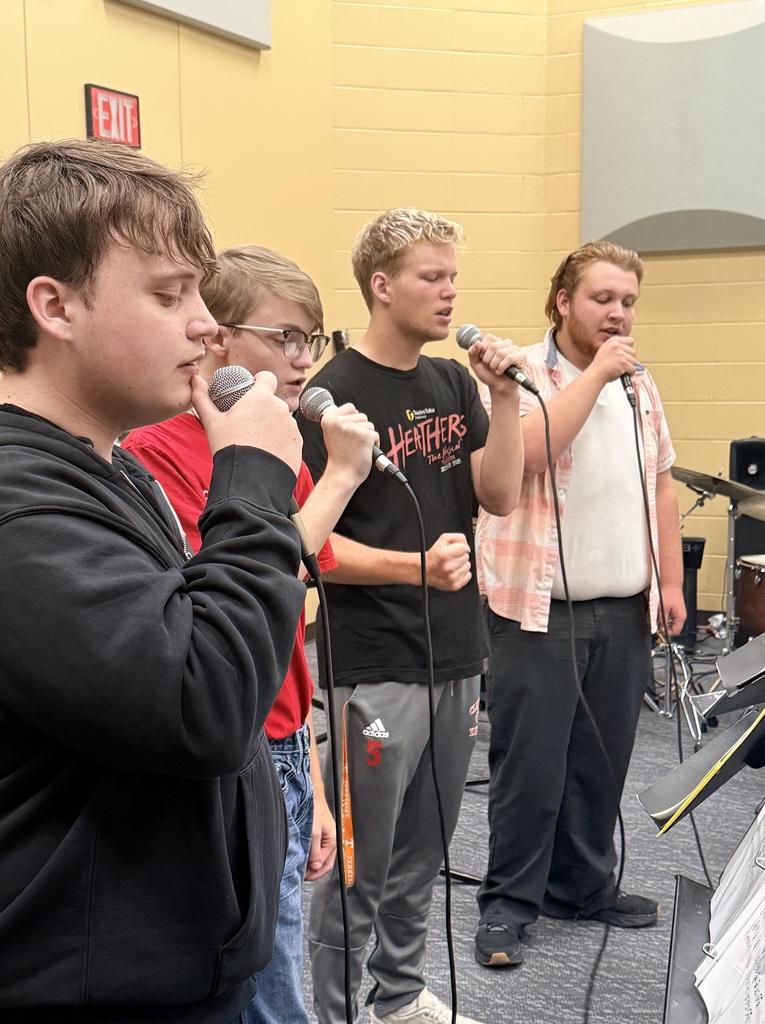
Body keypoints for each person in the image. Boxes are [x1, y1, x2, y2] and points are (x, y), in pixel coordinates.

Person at [0, 138, 309, 1024]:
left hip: (180, 965)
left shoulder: (115, 469)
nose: (206, 324)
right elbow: (200, 703)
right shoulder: (16, 505)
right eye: (171, 295)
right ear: (55, 307)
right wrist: (250, 481)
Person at [122, 244, 376, 1024]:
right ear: (220, 342)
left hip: (283, 731)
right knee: (265, 981)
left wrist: (311, 775)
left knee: (281, 952)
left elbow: (297, 594)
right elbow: (245, 589)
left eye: (314, 339)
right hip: (234, 739)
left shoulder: (272, 439)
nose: (304, 360)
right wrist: (339, 478)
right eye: (286, 337)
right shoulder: (158, 451)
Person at [296, 208, 526, 1024]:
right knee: (359, 864)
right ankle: (333, 1012)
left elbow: (497, 495)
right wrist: (416, 569)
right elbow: (311, 547)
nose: (449, 292)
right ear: (381, 285)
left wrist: (505, 398)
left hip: (458, 651)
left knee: (425, 854)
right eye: (433, 277)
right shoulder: (331, 397)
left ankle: (395, 995)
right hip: (375, 663)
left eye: (453, 277)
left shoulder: (453, 382)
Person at [473, 241, 686, 968]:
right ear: (563, 301)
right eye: (603, 298)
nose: (618, 313)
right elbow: (528, 456)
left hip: (623, 610)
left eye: (628, 300)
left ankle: (582, 887)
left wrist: (670, 582)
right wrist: (596, 373)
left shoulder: (640, 384)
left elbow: (661, 481)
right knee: (530, 767)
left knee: (601, 763)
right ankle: (507, 906)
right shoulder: (520, 375)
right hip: (539, 612)